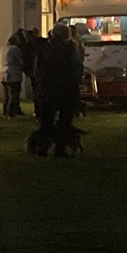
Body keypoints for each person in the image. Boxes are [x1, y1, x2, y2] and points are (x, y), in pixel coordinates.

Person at [33, 23, 82, 156]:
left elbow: (37, 70)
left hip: (46, 89)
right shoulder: (70, 49)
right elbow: (76, 69)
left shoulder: (44, 49)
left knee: (46, 121)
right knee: (64, 121)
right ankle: (60, 148)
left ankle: (42, 148)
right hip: (65, 90)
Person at [2, 33, 25, 119]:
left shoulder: (3, 49)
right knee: (14, 94)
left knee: (6, 95)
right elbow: (20, 61)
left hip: (3, 73)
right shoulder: (15, 49)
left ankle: (5, 112)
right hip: (13, 73)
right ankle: (11, 113)